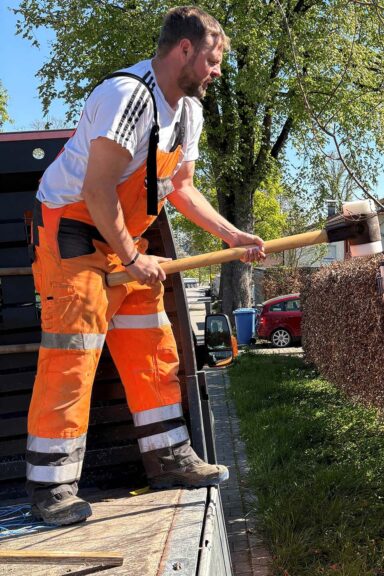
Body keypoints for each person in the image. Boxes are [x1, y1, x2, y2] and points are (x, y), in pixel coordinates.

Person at [26, 6, 265, 526]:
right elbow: (96, 190)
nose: (216, 71)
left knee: (153, 345)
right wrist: (133, 258)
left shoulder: (188, 113)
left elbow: (179, 188)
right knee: (73, 356)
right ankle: (51, 488)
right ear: (185, 50)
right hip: (72, 236)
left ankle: (167, 456)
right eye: (212, 59)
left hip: (120, 238)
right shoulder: (126, 97)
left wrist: (233, 235)